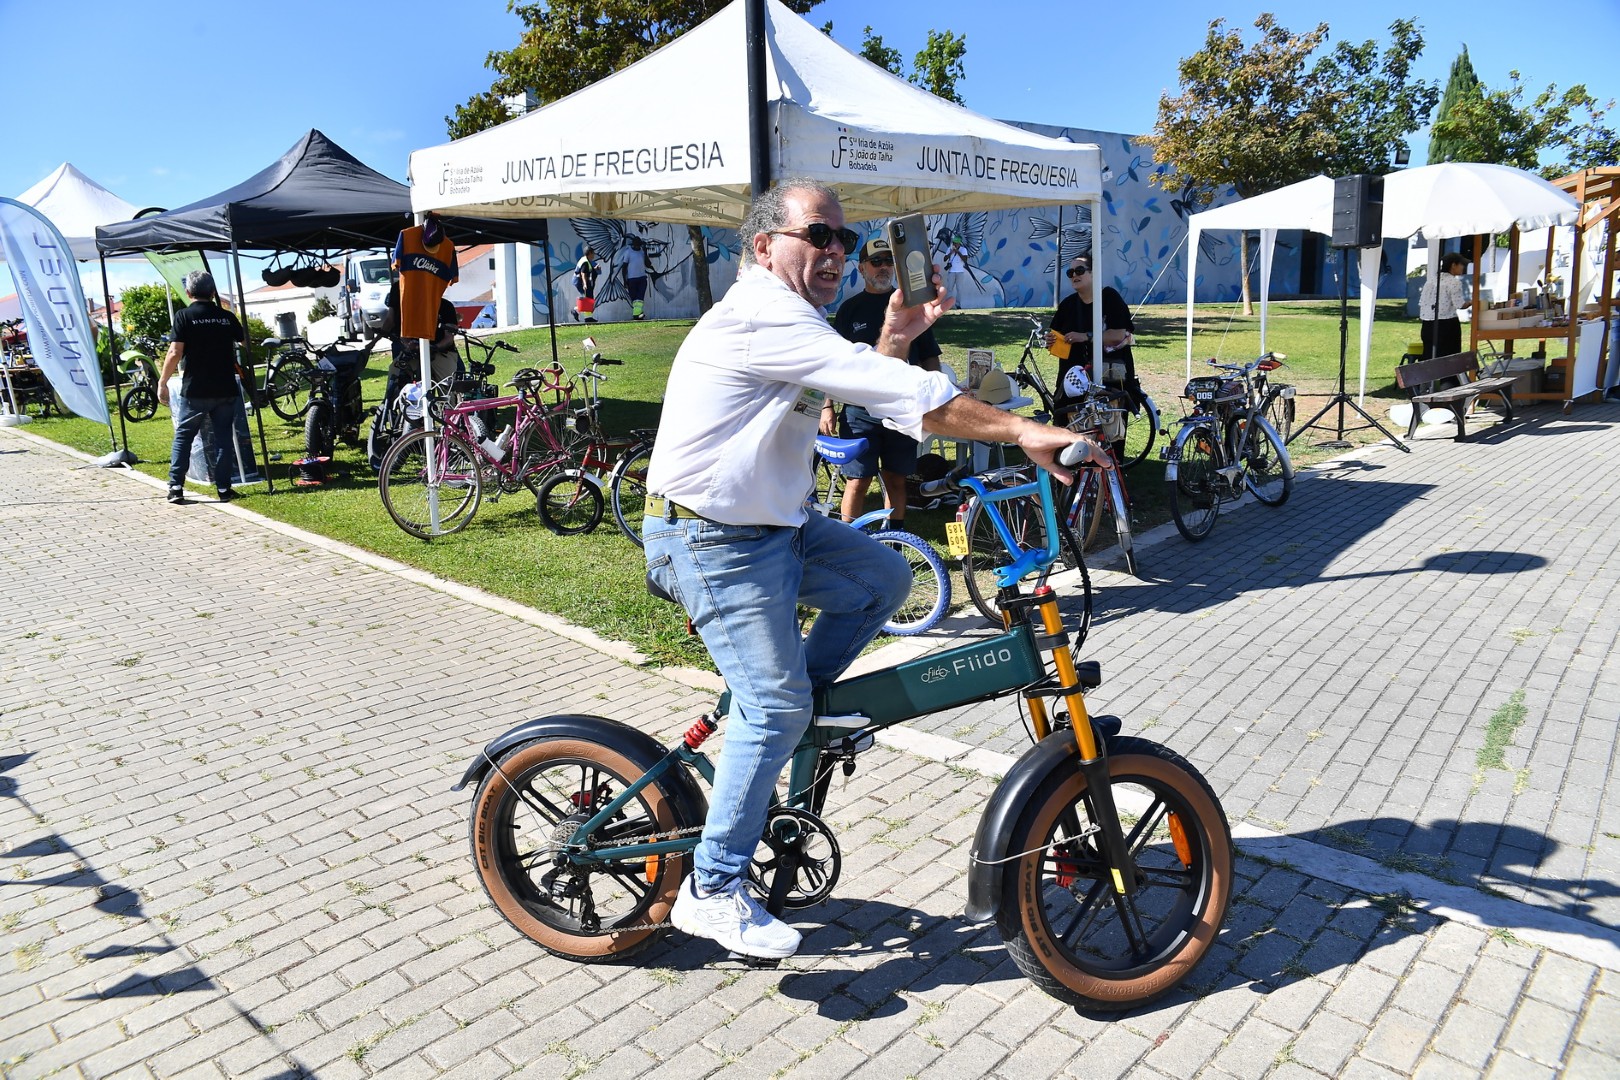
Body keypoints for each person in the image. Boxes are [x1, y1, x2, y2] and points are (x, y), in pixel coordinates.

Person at [643, 179, 1103, 960]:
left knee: (885, 581)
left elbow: (867, 382)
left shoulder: (795, 320)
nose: (835, 251)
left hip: (775, 529)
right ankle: (712, 889)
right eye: (818, 235)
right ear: (764, 246)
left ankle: (796, 716)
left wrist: (892, 335)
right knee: (775, 705)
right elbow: (907, 396)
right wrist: (1020, 428)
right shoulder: (760, 313)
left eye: (846, 240)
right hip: (710, 538)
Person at [826, 236, 943, 528]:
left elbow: (929, 356)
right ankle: (850, 539)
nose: (883, 267)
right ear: (861, 268)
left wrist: (935, 398)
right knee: (858, 480)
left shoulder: (911, 307)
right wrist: (826, 406)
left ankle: (895, 542)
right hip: (859, 412)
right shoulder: (849, 309)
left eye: (889, 261)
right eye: (876, 261)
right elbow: (830, 362)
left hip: (902, 409)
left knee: (896, 479)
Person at [157, 271, 245, 505]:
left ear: (188, 292)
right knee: (224, 438)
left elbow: (175, 352)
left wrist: (162, 382)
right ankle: (224, 488)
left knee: (184, 437)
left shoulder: (184, 316)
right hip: (225, 386)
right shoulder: (226, 316)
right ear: (213, 292)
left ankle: (176, 487)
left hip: (196, 388)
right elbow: (244, 340)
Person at [1047, 254, 1142, 459]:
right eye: (1070, 272)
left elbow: (1118, 334)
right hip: (1073, 377)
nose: (1074, 275)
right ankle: (1071, 469)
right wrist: (1052, 342)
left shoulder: (1109, 298)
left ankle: (1110, 471)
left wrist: (1085, 336)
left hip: (1109, 376)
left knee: (1109, 426)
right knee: (1068, 424)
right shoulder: (1067, 305)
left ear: (1093, 273)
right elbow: (1058, 337)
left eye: (1080, 270)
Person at [1420, 252, 1471, 360]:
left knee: (1429, 356)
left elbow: (1423, 302)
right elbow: (1460, 304)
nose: (1463, 267)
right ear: (1453, 265)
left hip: (1427, 323)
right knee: (1449, 357)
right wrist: (1472, 302)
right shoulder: (1453, 282)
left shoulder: (1431, 280)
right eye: (1461, 264)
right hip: (1446, 323)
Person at [620, 236, 649, 320]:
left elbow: (648, 264)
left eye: (639, 245)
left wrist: (645, 252)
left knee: (640, 298)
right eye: (637, 245)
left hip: (642, 278)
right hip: (632, 279)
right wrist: (625, 280)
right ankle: (637, 314)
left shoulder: (642, 252)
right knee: (634, 299)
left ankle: (637, 314)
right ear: (633, 245)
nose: (638, 247)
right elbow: (624, 267)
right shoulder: (628, 252)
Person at [573, 247, 599, 323]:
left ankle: (588, 317)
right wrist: (585, 284)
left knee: (588, 298)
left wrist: (595, 268)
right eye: (593, 253)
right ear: (590, 253)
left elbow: (587, 270)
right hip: (580, 281)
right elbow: (583, 273)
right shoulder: (585, 262)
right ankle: (576, 310)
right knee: (588, 298)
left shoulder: (586, 260)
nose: (594, 255)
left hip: (581, 281)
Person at [944, 236, 971, 302]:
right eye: (953, 242)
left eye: (956, 243)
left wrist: (958, 252)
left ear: (959, 243)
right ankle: (948, 303)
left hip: (960, 272)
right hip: (951, 271)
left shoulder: (963, 250)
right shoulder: (949, 249)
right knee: (949, 288)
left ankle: (958, 304)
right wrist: (951, 252)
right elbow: (944, 259)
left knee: (959, 289)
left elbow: (965, 260)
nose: (954, 244)